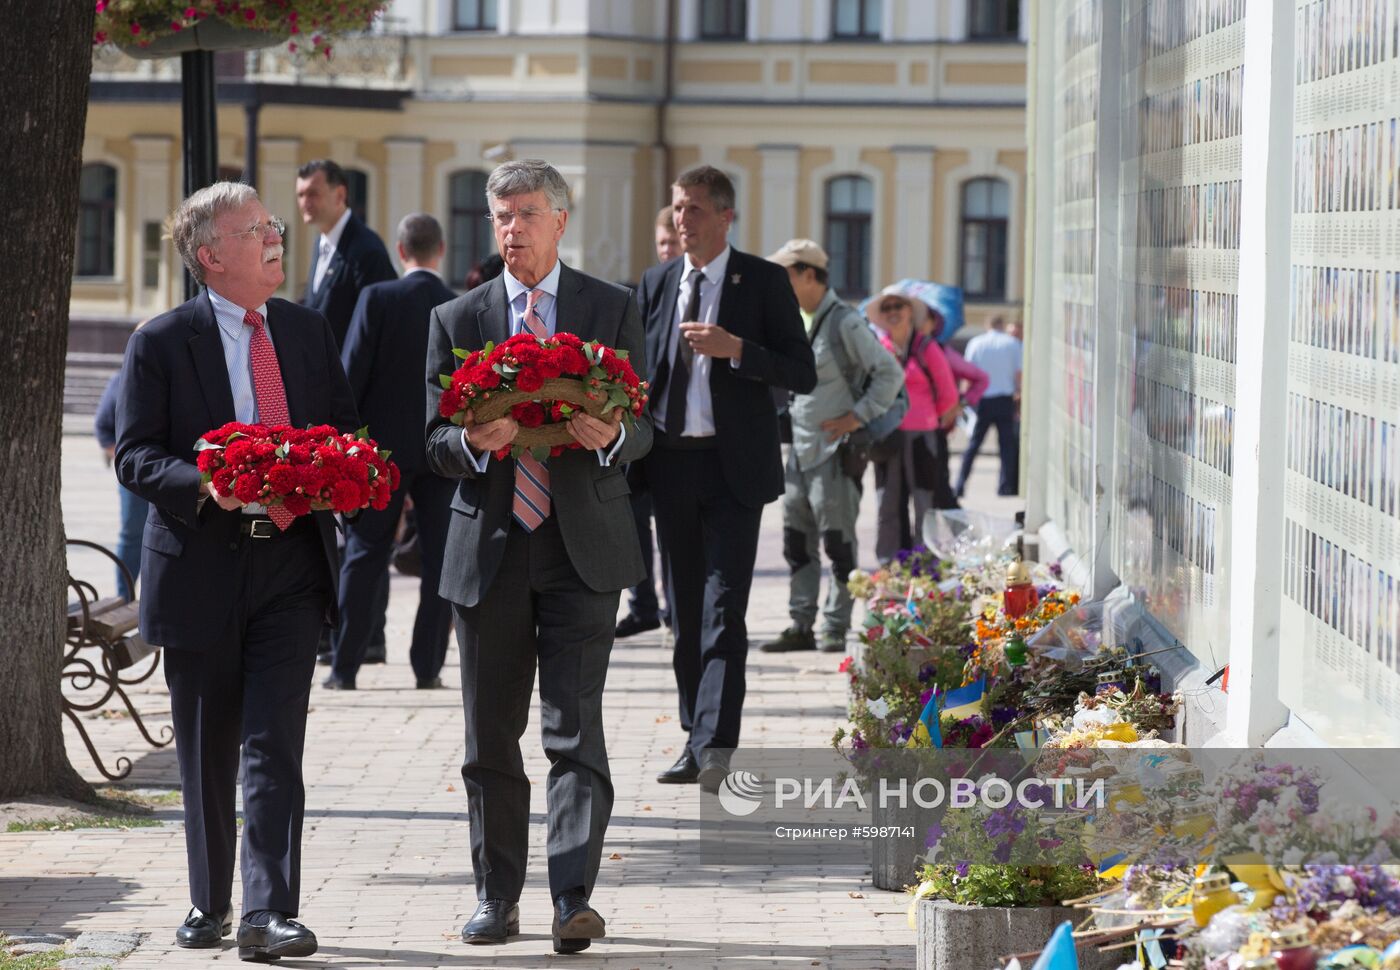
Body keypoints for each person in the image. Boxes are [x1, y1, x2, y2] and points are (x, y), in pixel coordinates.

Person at [115, 182, 358, 961]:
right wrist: (204, 483)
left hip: (292, 562)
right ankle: (208, 901)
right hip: (201, 565)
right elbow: (135, 455)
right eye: (256, 229)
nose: (275, 235)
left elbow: (344, 429)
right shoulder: (161, 341)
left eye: (273, 224)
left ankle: (268, 913)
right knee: (207, 746)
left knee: (273, 742)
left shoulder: (309, 331)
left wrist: (343, 469)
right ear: (211, 257)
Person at [424, 159, 651, 955]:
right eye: (499, 217)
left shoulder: (610, 308)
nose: (510, 230)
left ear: (560, 219)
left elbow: (645, 422)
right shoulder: (458, 318)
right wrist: (470, 444)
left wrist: (615, 437)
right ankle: (496, 898)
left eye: (524, 214)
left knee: (573, 730)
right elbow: (432, 438)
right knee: (490, 737)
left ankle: (571, 899)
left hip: (582, 547)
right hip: (488, 552)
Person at [636, 165, 816, 791]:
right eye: (676, 208)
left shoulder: (763, 282)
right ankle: (693, 735)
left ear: (723, 216)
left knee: (723, 610)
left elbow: (803, 371)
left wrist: (736, 348)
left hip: (733, 468)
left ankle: (716, 744)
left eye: (691, 209)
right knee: (683, 614)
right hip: (670, 463)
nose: (680, 220)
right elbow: (640, 369)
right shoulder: (657, 281)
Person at [323, 214, 457, 691]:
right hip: (442, 451)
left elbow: (351, 372)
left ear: (402, 252)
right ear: (439, 251)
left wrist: (348, 442)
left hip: (382, 453)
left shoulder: (378, 297)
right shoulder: (455, 303)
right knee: (440, 561)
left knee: (364, 556)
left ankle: (344, 668)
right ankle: (428, 668)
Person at [759, 240, 904, 655]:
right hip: (800, 453)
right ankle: (800, 623)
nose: (779, 283)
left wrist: (856, 417)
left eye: (785, 274)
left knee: (838, 543)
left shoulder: (844, 323)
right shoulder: (798, 321)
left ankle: (836, 627)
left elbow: (889, 373)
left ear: (808, 274)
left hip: (835, 454)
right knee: (795, 541)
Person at [295, 158, 397, 664]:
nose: (305, 204)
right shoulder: (323, 246)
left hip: (357, 410)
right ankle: (347, 630)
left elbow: (373, 336)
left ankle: (364, 635)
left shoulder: (366, 251)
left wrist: (353, 420)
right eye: (300, 195)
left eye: (314, 193)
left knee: (363, 530)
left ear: (341, 195)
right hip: (328, 404)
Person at [616, 204, 681, 638]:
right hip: (642, 426)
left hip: (679, 434)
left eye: (673, 242)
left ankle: (678, 608)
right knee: (633, 520)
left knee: (675, 526)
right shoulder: (647, 289)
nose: (668, 250)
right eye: (662, 243)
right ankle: (642, 605)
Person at [868, 287, 961, 562]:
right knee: (888, 503)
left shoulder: (926, 347)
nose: (893, 312)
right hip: (887, 436)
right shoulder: (878, 347)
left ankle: (924, 562)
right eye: (887, 308)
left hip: (922, 436)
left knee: (924, 501)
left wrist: (934, 419)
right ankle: (890, 563)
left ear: (910, 312)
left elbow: (948, 392)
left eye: (899, 306)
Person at [95, 367, 149, 601]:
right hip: (135, 476)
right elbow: (103, 427)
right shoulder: (121, 379)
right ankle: (123, 596)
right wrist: (126, 461)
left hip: (175, 471)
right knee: (133, 534)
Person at [955, 314, 1023, 497]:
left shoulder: (976, 343)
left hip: (983, 400)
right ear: (1001, 325)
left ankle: (960, 485)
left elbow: (967, 373)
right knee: (1006, 447)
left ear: (987, 326)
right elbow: (1019, 374)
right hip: (1005, 399)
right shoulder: (1013, 344)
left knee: (973, 445)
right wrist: (1019, 396)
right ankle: (1006, 487)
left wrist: (963, 401)